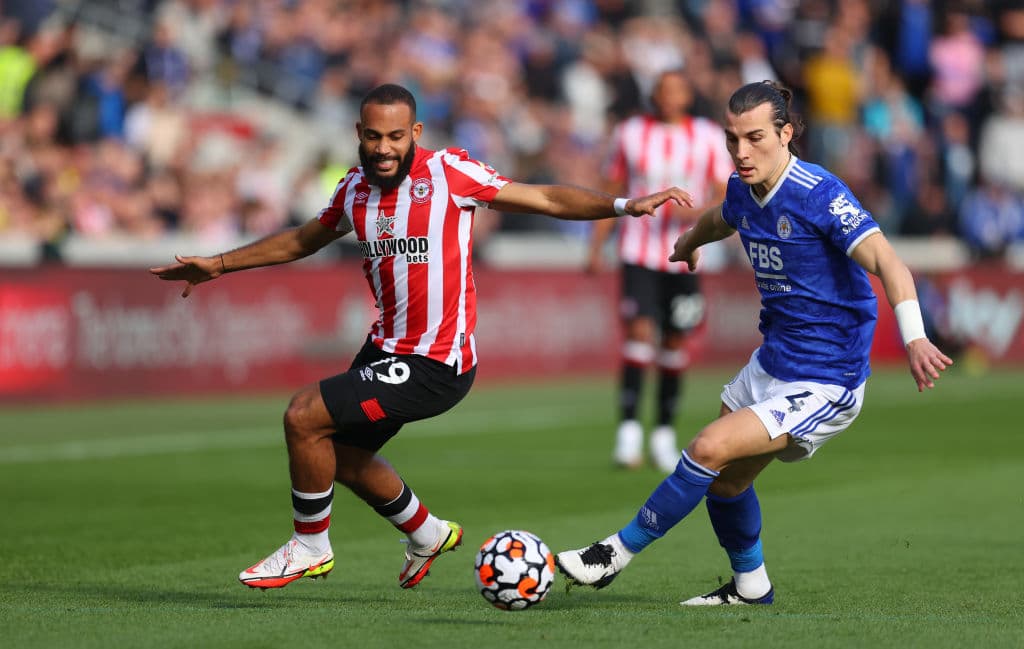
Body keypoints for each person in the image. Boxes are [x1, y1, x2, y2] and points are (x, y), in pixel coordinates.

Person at [149, 83, 692, 591]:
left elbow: (545, 199)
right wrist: (218, 264)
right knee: (335, 454)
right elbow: (301, 241)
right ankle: (428, 534)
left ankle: (309, 544)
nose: (384, 149)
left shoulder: (450, 174)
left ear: (416, 134)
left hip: (437, 361)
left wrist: (623, 205)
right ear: (358, 134)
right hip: (384, 349)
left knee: (301, 416)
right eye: (372, 136)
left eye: (395, 137)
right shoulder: (353, 189)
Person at [555, 81, 953, 606]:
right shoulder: (744, 187)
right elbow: (722, 218)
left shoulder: (819, 193)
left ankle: (611, 556)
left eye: (756, 137)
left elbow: (887, 262)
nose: (742, 152)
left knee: (706, 448)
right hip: (771, 362)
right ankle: (751, 587)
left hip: (825, 378)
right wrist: (688, 243)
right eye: (732, 139)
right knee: (723, 481)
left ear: (786, 134)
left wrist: (915, 337)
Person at [587, 68, 733, 473]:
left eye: (677, 89)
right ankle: (629, 431)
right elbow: (610, 188)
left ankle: (664, 434)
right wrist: (596, 245)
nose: (669, 96)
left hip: (688, 254)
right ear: (655, 94)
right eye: (662, 89)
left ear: (687, 95)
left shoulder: (705, 135)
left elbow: (724, 191)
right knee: (637, 333)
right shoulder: (630, 132)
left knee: (674, 342)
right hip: (638, 251)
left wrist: (695, 213)